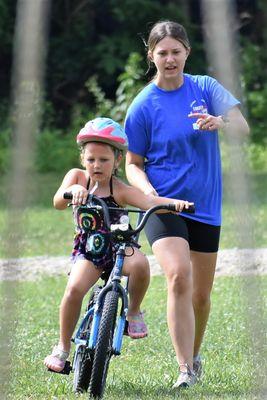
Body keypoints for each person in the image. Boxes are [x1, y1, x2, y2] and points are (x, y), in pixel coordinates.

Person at [124, 20, 249, 388]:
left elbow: (241, 125)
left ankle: (194, 358)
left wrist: (219, 121)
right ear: (152, 56)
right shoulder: (143, 105)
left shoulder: (205, 88)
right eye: (162, 53)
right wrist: (150, 194)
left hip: (205, 205)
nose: (169, 58)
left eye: (176, 51)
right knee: (178, 274)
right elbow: (132, 163)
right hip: (163, 206)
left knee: (201, 296)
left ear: (187, 53)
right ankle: (183, 370)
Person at [44, 117, 193, 373]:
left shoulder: (120, 189)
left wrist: (175, 204)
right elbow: (58, 200)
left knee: (142, 264)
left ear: (117, 161)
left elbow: (148, 202)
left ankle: (133, 312)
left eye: (104, 160)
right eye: (91, 159)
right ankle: (62, 348)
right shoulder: (77, 177)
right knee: (73, 291)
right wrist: (74, 191)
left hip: (120, 248)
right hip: (90, 250)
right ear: (83, 160)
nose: (97, 165)